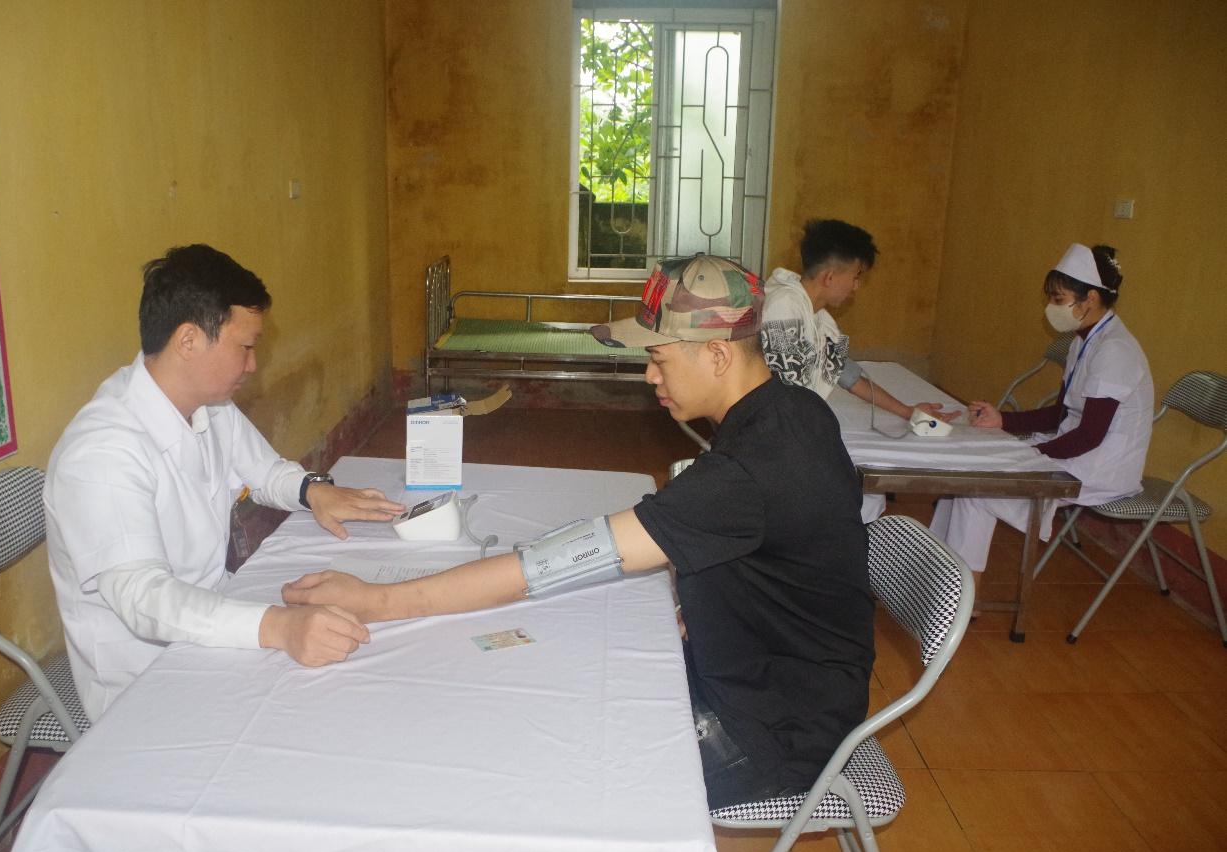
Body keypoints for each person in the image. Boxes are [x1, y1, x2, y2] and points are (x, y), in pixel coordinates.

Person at [282, 254, 875, 810]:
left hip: (776, 729)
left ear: (718, 354)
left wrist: (377, 601)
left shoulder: (749, 468)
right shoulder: (795, 409)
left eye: (660, 358)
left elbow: (547, 565)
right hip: (787, 681)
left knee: (550, 774)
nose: (649, 375)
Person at [45, 244, 406, 721]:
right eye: (246, 347)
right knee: (325, 706)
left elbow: (266, 472)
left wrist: (313, 491)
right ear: (188, 341)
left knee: (359, 653)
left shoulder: (207, 404)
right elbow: (145, 599)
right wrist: (277, 627)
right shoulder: (101, 453)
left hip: (214, 618)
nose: (253, 365)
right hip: (146, 679)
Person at [930, 243, 1153, 580]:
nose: (1051, 307)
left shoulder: (1115, 351)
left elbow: (1090, 436)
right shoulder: (1082, 341)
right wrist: (1003, 420)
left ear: (1090, 299)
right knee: (964, 476)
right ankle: (934, 576)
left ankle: (960, 595)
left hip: (1101, 467)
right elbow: (1061, 414)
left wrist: (1032, 454)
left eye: (1058, 299)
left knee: (976, 490)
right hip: (1075, 449)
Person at [761, 218, 955, 423]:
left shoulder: (823, 320)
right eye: (855, 277)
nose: (856, 286)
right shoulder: (783, 307)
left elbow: (849, 376)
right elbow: (787, 391)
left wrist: (909, 412)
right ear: (829, 277)